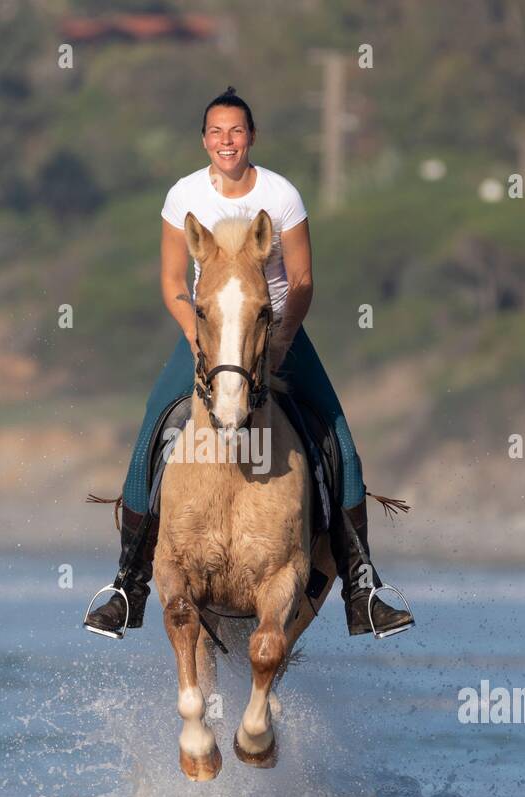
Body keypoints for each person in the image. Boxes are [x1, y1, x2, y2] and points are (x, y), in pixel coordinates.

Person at [84, 87, 414, 640]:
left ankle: (364, 586)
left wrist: (281, 338)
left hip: (275, 331)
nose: (226, 141)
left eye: (236, 131)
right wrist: (195, 337)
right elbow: (171, 283)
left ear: (251, 136)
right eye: (216, 132)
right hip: (208, 336)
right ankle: (127, 585)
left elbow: (302, 280)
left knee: (341, 443)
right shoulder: (183, 195)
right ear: (204, 140)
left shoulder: (281, 194)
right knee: (151, 435)